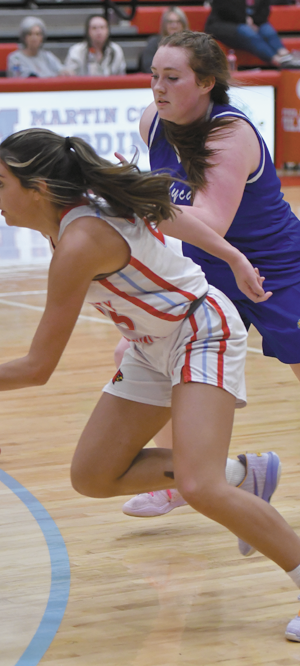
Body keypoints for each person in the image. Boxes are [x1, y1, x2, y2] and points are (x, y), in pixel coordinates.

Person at [0, 126, 300, 642]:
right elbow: (167, 211)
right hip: (152, 342)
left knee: (200, 488)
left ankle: (246, 508)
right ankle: (241, 475)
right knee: (93, 475)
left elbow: (37, 368)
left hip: (201, 330)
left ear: (38, 188)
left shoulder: (80, 242)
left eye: (0, 183)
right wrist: (233, 257)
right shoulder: (83, 206)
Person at [119, 31, 300, 562]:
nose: (157, 87)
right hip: (210, 268)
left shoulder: (230, 134)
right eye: (153, 75)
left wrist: (128, 193)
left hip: (278, 267)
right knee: (162, 360)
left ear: (206, 83)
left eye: (171, 78)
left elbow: (211, 220)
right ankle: (205, 477)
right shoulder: (151, 123)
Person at [140, 7, 189, 73]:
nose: (174, 25)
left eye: (178, 22)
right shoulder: (154, 43)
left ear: (183, 24)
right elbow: (148, 67)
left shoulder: (190, 44)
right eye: (170, 22)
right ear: (164, 25)